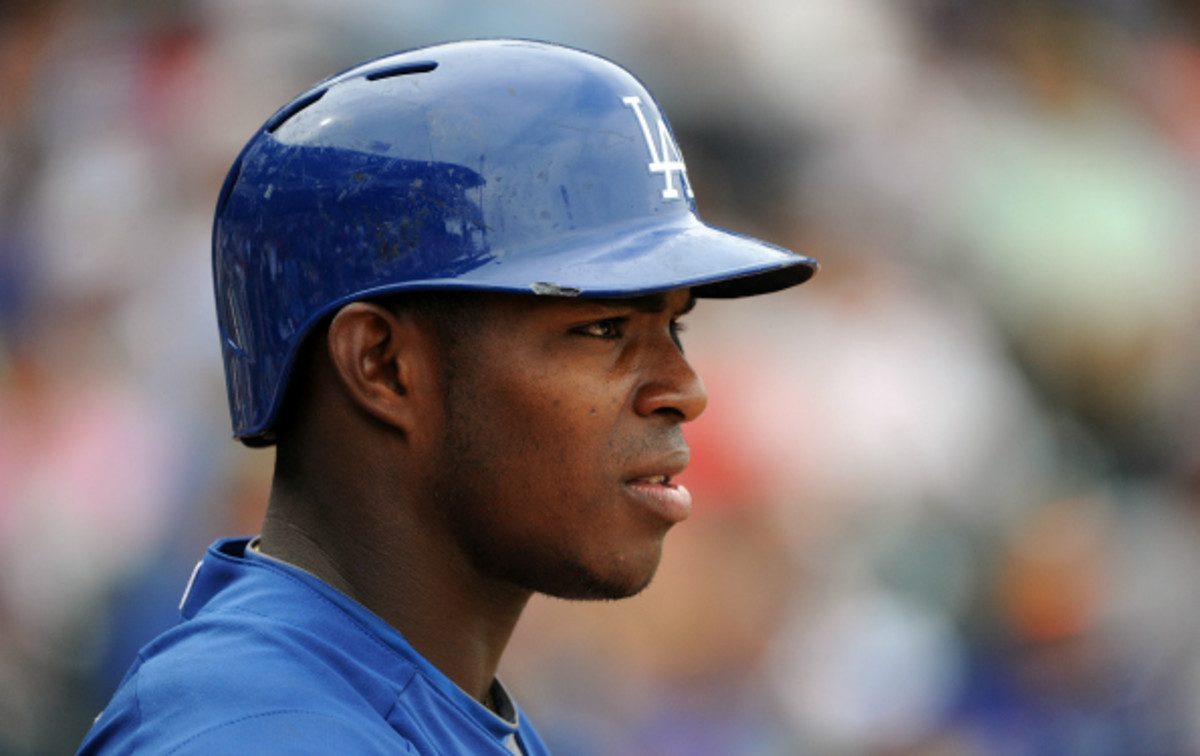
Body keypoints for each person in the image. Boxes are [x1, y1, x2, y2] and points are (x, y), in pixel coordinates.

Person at [78, 39, 817, 754]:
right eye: (603, 326)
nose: (684, 390)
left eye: (675, 327)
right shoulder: (259, 735)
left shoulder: (405, 700)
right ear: (383, 365)